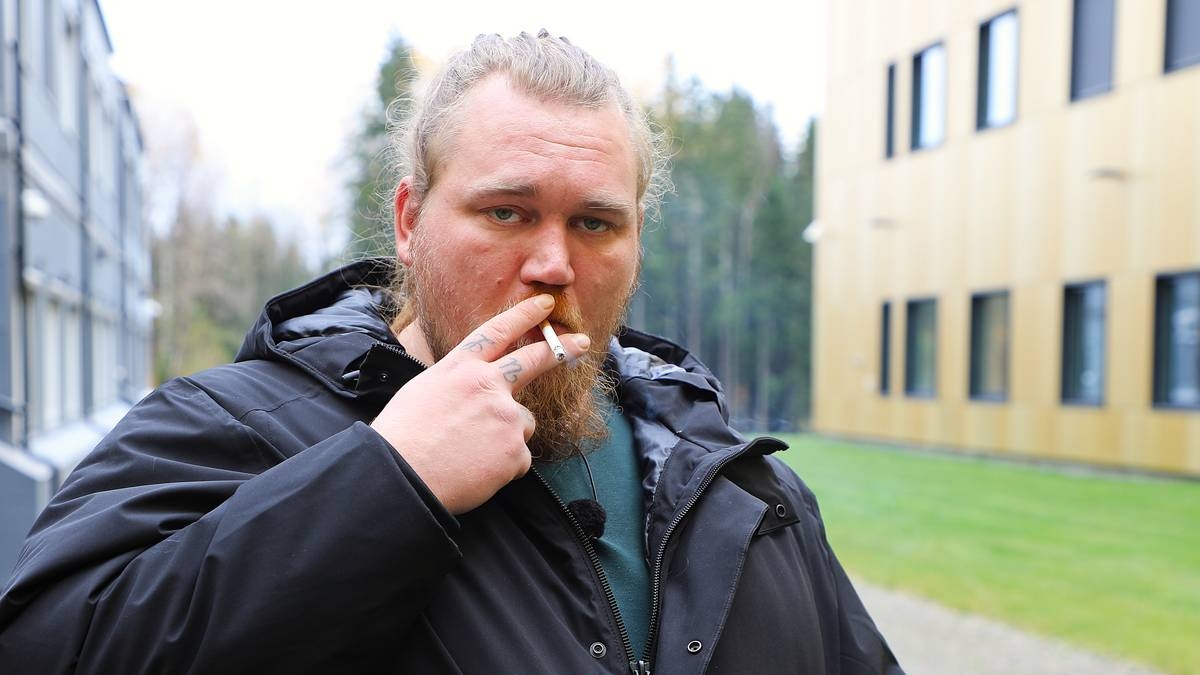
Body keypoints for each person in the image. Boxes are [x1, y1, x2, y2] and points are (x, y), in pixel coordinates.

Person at [0, 31, 902, 674]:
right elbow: (48, 647)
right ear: (409, 220)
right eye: (507, 211)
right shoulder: (236, 427)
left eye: (595, 223)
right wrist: (388, 479)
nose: (553, 263)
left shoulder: (742, 489)